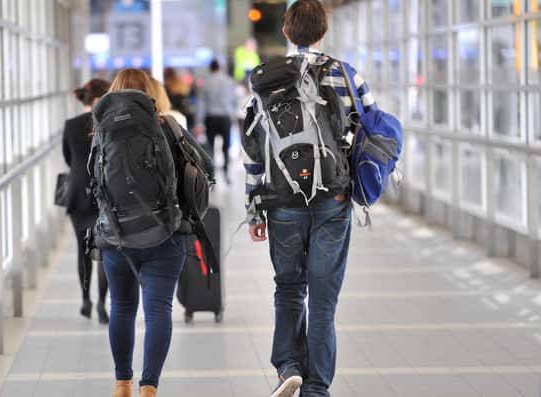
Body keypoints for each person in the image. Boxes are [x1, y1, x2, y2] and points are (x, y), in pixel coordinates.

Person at [241, 1, 377, 396]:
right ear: (323, 32)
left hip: (282, 200)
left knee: (288, 288)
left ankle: (287, 367)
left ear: (286, 32)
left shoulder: (265, 80)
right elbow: (373, 127)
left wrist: (254, 207)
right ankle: (316, 388)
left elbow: (254, 150)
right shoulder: (346, 75)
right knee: (323, 298)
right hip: (333, 200)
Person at [96, 69, 213, 397]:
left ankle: (122, 383)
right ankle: (149, 387)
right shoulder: (172, 125)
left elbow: (97, 186)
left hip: (117, 236)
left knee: (121, 305)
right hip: (167, 232)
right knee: (159, 307)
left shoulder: (102, 130)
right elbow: (207, 168)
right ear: (151, 93)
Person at [62, 79, 111, 324]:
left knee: (82, 250)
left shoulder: (71, 126)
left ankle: (85, 300)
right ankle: (103, 303)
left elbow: (69, 159)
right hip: (104, 194)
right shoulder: (107, 124)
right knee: (103, 250)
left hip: (78, 194)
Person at [195, 59, 237, 184]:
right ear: (220, 68)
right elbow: (235, 101)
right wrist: (232, 114)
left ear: (210, 68)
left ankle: (211, 176)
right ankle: (226, 173)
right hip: (225, 118)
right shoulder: (229, 81)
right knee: (226, 147)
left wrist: (199, 122)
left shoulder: (206, 82)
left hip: (211, 118)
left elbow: (201, 104)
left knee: (210, 148)